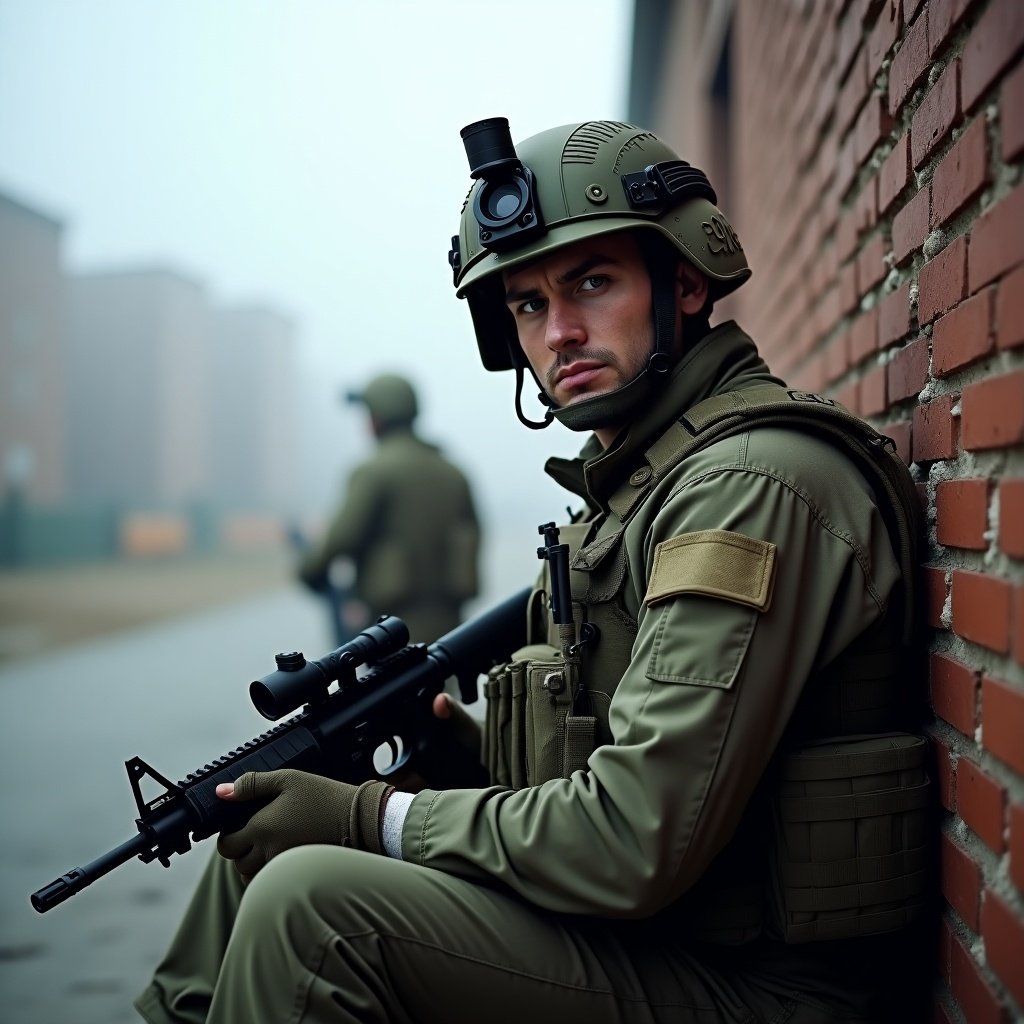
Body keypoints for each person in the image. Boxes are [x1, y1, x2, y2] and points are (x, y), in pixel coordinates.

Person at [135, 118, 934, 1024]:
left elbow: (635, 837)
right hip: (668, 939)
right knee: (261, 838)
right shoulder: (646, 480)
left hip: (767, 988)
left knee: (315, 907)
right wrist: (461, 761)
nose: (558, 333)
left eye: (593, 282)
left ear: (685, 280)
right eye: (526, 303)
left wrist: (369, 818)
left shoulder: (748, 487)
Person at [294, 372, 481, 644]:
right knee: (441, 688)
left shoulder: (374, 471)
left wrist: (309, 571)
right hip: (450, 627)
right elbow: (474, 533)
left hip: (391, 627)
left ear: (377, 418)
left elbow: (342, 537)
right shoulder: (454, 473)